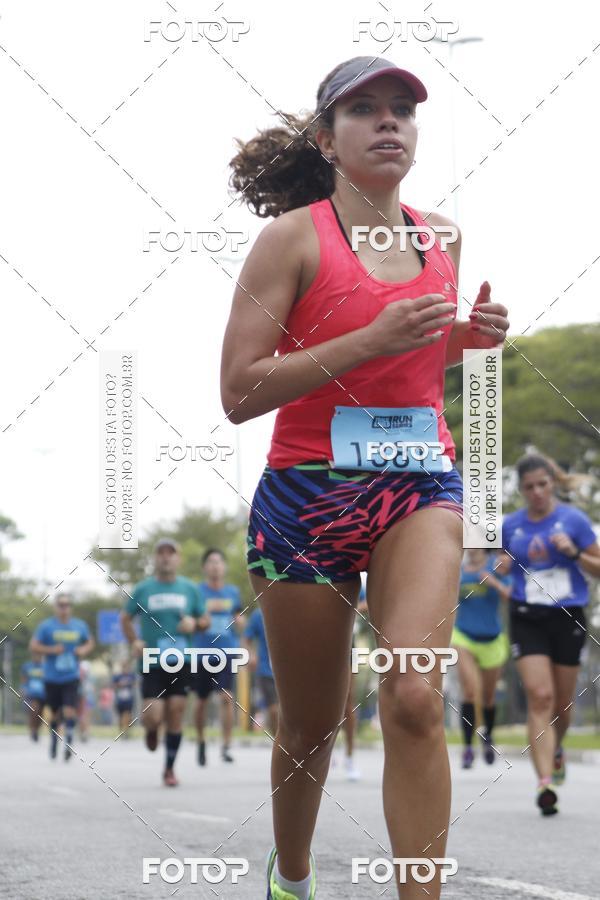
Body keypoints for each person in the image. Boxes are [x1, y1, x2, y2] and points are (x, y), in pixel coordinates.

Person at [221, 55, 509, 899]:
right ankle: (295, 875)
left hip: (419, 485)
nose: (389, 122)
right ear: (326, 138)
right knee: (313, 723)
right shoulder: (292, 238)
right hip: (306, 496)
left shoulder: (442, 235)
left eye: (402, 111)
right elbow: (240, 390)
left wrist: (466, 339)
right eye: (365, 111)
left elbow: (410, 349)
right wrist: (372, 340)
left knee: (416, 696)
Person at [499, 453, 600, 816]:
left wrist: (573, 553)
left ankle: (556, 748)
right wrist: (503, 564)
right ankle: (544, 782)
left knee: (562, 705)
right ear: (522, 491)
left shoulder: (573, 520)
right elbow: (499, 567)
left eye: (543, 484)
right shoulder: (511, 525)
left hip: (568, 614)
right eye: (529, 487)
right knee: (539, 697)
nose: (538, 492)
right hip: (527, 615)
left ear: (552, 483)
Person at [121, 537, 204, 787]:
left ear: (178, 559)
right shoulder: (144, 589)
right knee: (154, 716)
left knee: (176, 712)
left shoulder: (189, 589)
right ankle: (151, 729)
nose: (166, 557)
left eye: (171, 553)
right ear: (155, 559)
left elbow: (205, 620)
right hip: (152, 661)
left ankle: (169, 768)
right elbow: (125, 618)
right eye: (161, 553)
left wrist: (195, 623)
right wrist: (134, 641)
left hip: (182, 660)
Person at [451, 549, 511, 769]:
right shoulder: (457, 571)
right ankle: (467, 747)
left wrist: (493, 582)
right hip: (463, 636)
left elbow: (510, 595)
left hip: (492, 638)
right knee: (469, 691)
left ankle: (488, 737)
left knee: (488, 697)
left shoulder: (498, 565)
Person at [193, 548, 245, 765]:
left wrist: (240, 622)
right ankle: (201, 740)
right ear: (205, 567)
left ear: (224, 567)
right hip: (201, 651)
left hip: (227, 651)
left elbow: (239, 618)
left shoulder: (232, 592)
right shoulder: (197, 592)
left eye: (219, 562)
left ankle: (226, 745)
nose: (215, 566)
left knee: (226, 697)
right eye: (211, 562)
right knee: (201, 700)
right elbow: (191, 619)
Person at [30, 594, 94, 760]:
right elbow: (34, 646)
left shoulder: (79, 625)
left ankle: (69, 741)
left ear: (70, 607)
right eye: (61, 605)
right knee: (56, 713)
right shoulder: (46, 626)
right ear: (56, 607)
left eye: (67, 605)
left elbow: (89, 642)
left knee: (69, 710)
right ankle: (53, 740)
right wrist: (51, 650)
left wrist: (82, 650)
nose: (64, 608)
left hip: (71, 676)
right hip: (51, 677)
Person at [339, 584, 369, 781]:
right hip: (317, 638)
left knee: (348, 701)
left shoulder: (357, 582)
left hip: (348, 643)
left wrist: (353, 608)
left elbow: (369, 602)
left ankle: (349, 756)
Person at [244, 604, 278, 736]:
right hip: (265, 669)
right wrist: (251, 655)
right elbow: (246, 639)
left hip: (290, 672)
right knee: (274, 711)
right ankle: (278, 743)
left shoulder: (292, 610)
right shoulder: (259, 614)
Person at [20, 652, 46, 742]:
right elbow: (23, 679)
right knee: (34, 710)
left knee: (40, 714)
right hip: (31, 694)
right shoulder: (27, 666)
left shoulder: (45, 667)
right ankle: (32, 729)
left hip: (43, 694)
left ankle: (36, 730)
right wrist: (23, 689)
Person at [113, 661, 136, 735]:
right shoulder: (118, 676)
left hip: (129, 698)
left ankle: (126, 730)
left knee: (128, 714)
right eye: (124, 667)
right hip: (120, 699)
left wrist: (128, 683)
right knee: (120, 715)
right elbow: (114, 685)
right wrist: (120, 684)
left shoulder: (131, 675)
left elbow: (136, 682)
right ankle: (121, 730)